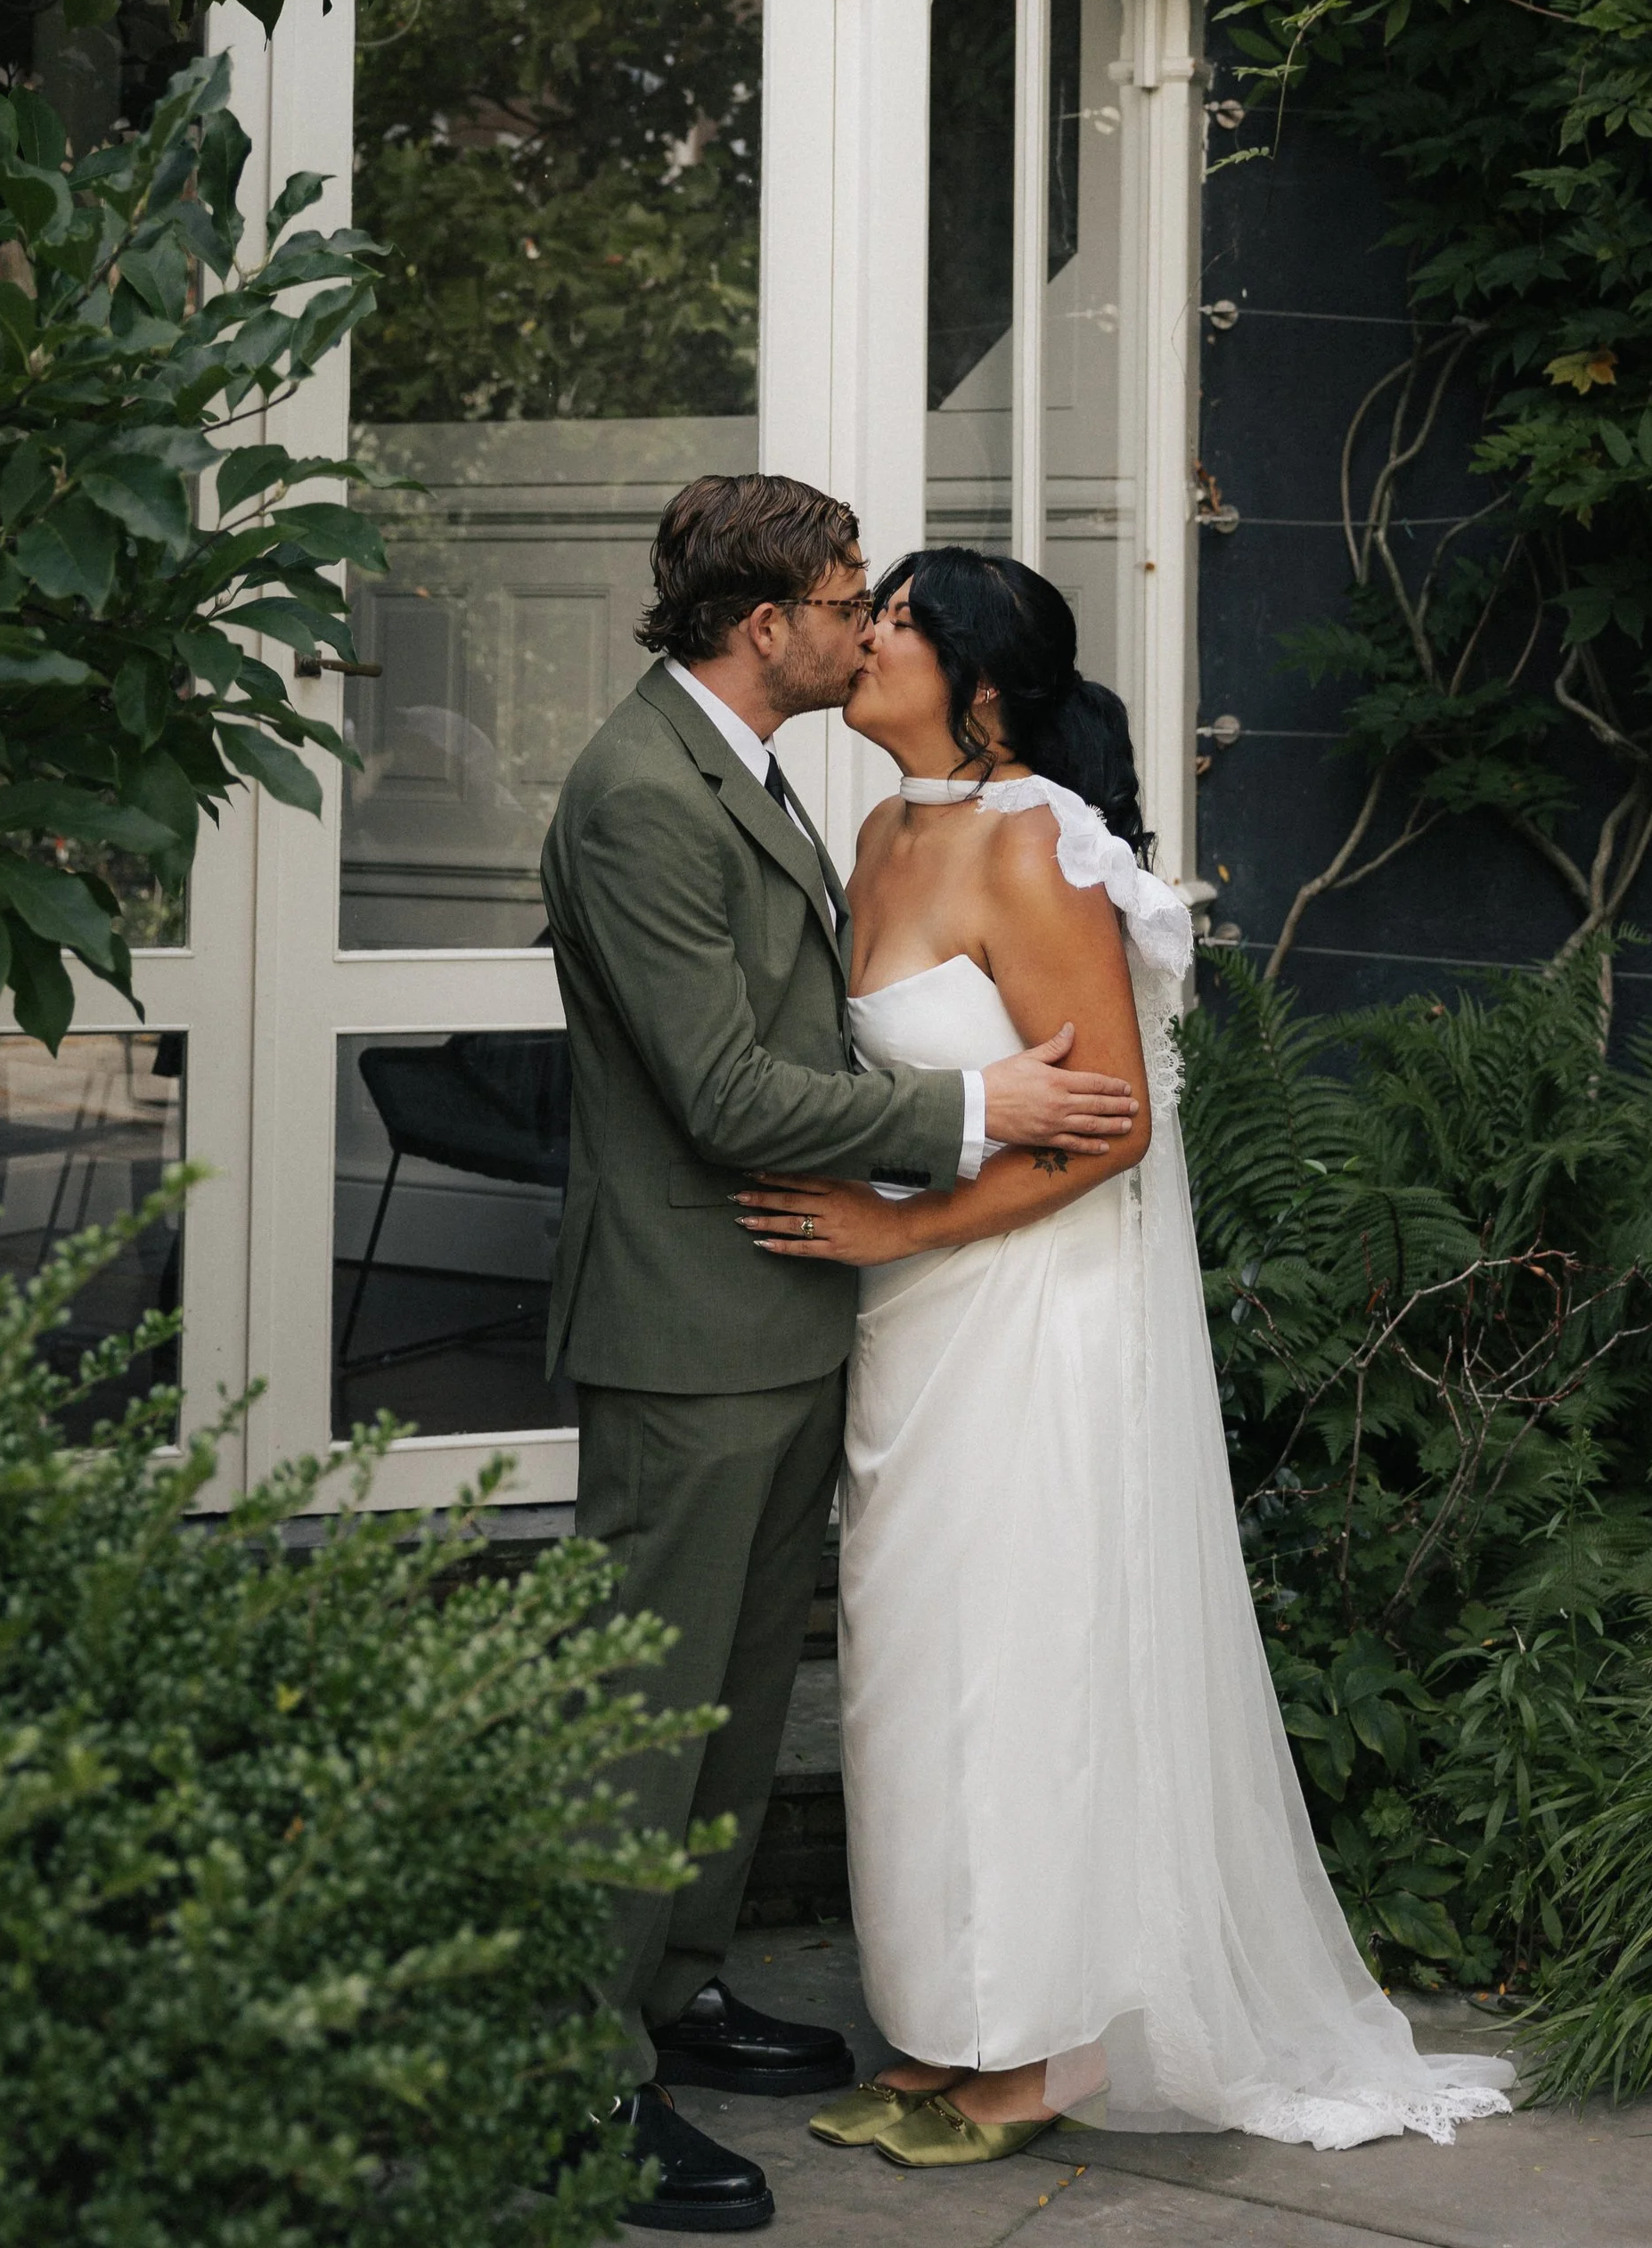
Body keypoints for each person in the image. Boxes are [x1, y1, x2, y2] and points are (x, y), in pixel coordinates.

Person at [732, 549, 1517, 2170]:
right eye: (861, 609)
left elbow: (1115, 1131)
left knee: (1025, 1664)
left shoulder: (1033, 849)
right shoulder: (884, 831)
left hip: (1028, 1309)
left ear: (980, 679)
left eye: (893, 620)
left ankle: (1041, 2056)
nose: (861, 637)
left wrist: (895, 1234)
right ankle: (948, 2036)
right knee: (915, 1673)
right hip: (918, 1334)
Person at [538, 480, 1141, 2233]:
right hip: (683, 1323)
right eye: (839, 598)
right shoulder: (641, 791)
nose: (861, 621)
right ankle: (583, 2072)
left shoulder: (761, 772)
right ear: (763, 627)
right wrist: (978, 1105)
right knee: (638, 1710)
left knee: (722, 1700)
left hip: (793, 1308)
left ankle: (679, 1986)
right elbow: (724, 1090)